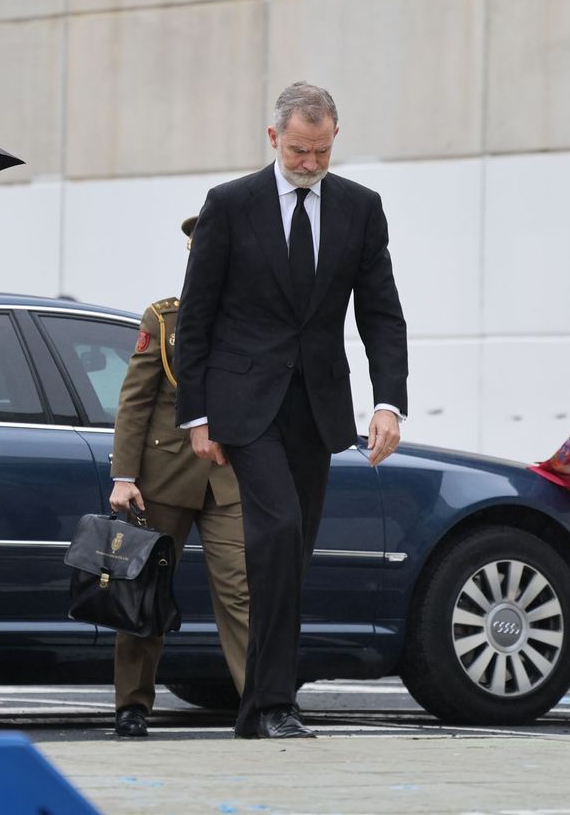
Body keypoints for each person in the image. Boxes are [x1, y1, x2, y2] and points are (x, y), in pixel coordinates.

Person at [175, 81, 408, 739]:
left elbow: (381, 314)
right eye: (299, 151)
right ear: (275, 138)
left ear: (334, 139)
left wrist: (388, 401)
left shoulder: (361, 210)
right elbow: (197, 318)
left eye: (322, 153)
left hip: (316, 405)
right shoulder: (230, 205)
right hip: (242, 405)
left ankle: (260, 708)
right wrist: (197, 415)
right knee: (274, 534)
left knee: (292, 553)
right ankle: (274, 703)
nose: (309, 164)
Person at [110, 215, 249, 738]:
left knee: (241, 591)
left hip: (227, 476)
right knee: (146, 590)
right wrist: (124, 475)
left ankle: (259, 701)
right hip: (163, 475)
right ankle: (132, 705)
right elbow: (135, 403)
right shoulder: (165, 319)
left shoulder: (251, 319)